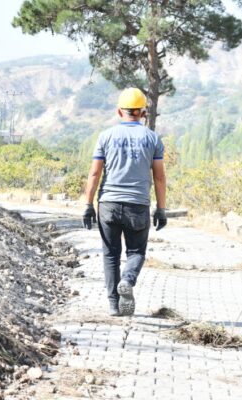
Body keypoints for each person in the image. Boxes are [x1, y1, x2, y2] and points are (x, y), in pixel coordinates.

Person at [82, 88, 168, 317]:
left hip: (108, 204)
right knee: (136, 252)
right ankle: (128, 280)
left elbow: (94, 174)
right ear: (142, 113)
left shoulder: (106, 137)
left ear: (119, 111)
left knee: (110, 254)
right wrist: (161, 209)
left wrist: (88, 205)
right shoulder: (152, 138)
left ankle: (113, 305)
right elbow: (159, 176)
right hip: (137, 205)